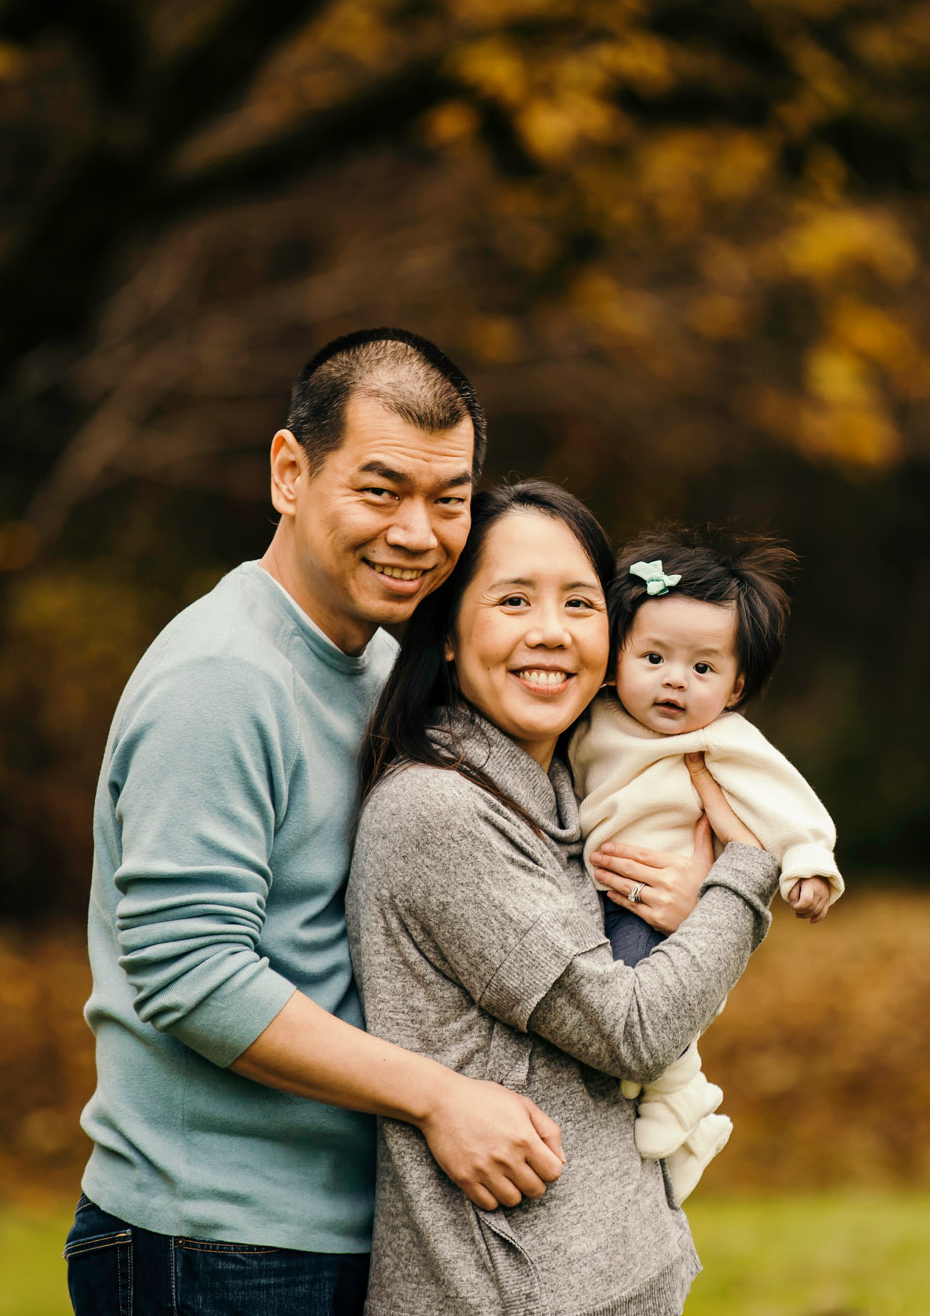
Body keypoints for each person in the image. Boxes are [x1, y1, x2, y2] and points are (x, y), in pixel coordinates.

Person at [67, 330, 567, 1316]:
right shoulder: (224, 676)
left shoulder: (377, 669)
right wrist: (437, 1096)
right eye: (379, 491)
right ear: (289, 473)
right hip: (213, 1240)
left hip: (339, 1228)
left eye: (448, 497)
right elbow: (192, 974)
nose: (418, 533)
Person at [347, 480, 781, 1315]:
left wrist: (693, 904)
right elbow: (635, 1028)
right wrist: (745, 871)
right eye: (513, 599)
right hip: (513, 1291)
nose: (550, 631)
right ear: (445, 634)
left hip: (603, 1277)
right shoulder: (439, 808)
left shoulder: (563, 791)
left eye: (580, 602)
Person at [569, 527, 843, 1204]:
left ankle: (683, 1100)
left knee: (637, 997)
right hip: (595, 895)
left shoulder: (722, 740)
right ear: (616, 656)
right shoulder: (589, 717)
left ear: (737, 685)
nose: (674, 680)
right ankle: (683, 1110)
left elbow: (785, 801)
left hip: (662, 911)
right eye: (654, 656)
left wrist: (806, 862)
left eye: (702, 668)